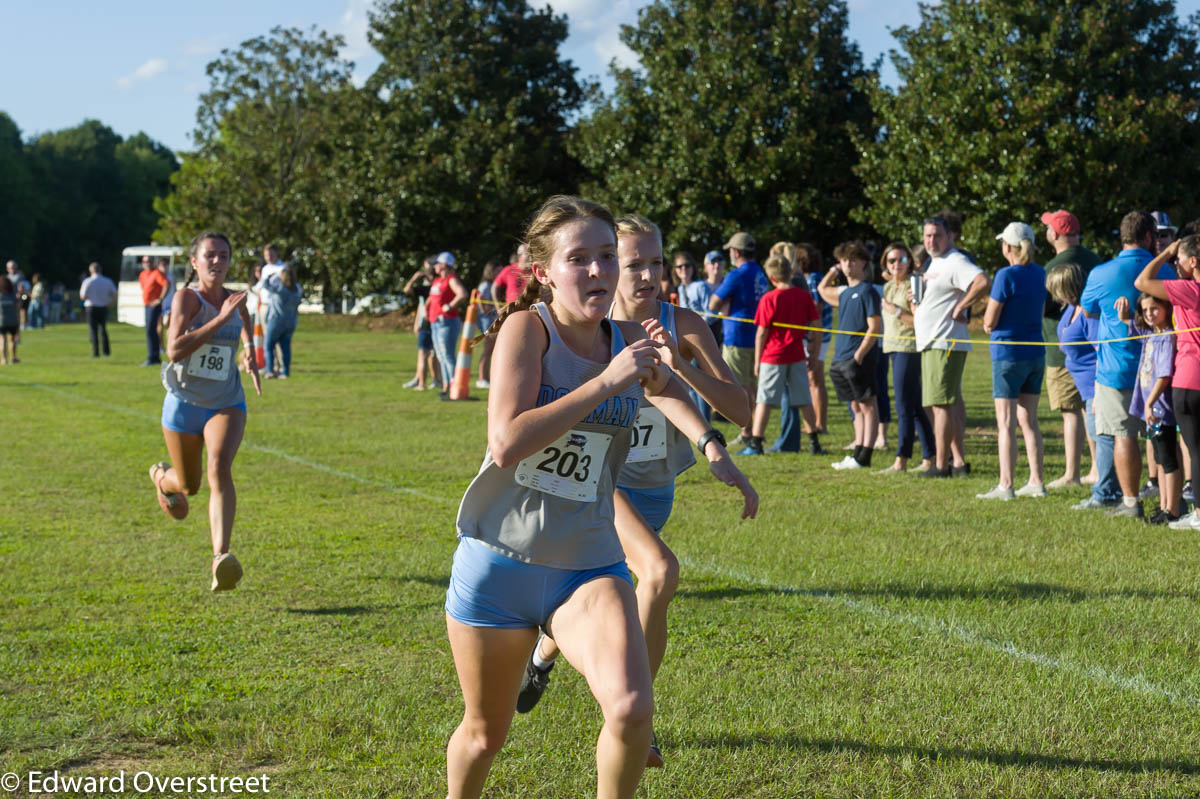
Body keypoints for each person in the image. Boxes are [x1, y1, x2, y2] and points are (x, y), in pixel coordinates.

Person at [444, 196, 756, 799]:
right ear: (544, 272)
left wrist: (710, 443)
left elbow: (672, 393)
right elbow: (507, 442)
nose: (598, 270)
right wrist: (606, 382)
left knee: (634, 710)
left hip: (587, 564)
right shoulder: (525, 330)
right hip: (500, 562)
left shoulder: (634, 335)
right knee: (486, 735)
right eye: (579, 258)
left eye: (606, 256)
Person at [149, 232, 259, 591]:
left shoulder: (236, 299)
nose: (217, 261)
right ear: (194, 262)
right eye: (210, 255)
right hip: (183, 405)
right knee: (189, 487)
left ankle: (220, 559)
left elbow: (243, 325)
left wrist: (249, 353)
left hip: (226, 401)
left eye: (224, 255)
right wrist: (218, 321)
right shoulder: (186, 298)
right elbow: (174, 350)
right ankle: (161, 478)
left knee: (219, 466)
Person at [1075, 211, 1167, 518]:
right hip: (1162, 366)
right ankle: (1172, 500)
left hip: (1117, 368)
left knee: (1123, 435)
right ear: (1148, 238)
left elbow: (1087, 312)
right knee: (1164, 435)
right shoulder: (1165, 271)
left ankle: (1130, 502)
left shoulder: (1101, 273)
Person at [912, 216, 990, 478]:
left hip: (944, 342)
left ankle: (941, 465)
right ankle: (957, 463)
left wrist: (961, 306)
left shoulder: (956, 261)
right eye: (927, 236)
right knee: (947, 402)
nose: (931, 240)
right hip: (933, 342)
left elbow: (981, 281)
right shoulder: (935, 262)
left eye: (936, 235)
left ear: (950, 236)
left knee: (940, 405)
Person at [977, 222, 1047, 500]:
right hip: (1035, 352)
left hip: (1008, 355)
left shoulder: (1005, 275)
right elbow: (1039, 313)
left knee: (1006, 423)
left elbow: (990, 320)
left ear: (1008, 247)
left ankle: (1006, 485)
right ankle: (1037, 482)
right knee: (1029, 419)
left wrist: (986, 324)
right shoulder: (1041, 273)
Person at [1135, 236, 1200, 529]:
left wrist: (1165, 252)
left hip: (1189, 379)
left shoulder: (1189, 289)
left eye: (1180, 259)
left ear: (1193, 261)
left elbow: (1142, 282)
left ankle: (1198, 514)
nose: (1176, 264)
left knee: (1196, 450)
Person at [1040, 210, 1103, 488]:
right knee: (1091, 408)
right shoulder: (1095, 260)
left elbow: (1040, 307)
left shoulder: (1053, 265)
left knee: (1070, 411)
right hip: (1093, 352)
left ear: (1054, 234)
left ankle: (1072, 473)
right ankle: (1096, 467)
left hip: (1061, 347)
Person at [739, 253, 822, 456]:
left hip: (773, 356)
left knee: (765, 400)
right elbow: (817, 325)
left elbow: (761, 333)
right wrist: (814, 352)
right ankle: (814, 443)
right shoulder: (804, 296)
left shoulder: (769, 298)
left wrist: (758, 361)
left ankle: (756, 443)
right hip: (796, 354)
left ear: (772, 277)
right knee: (804, 400)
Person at [1116, 291, 1181, 523]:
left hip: (1161, 410)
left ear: (1166, 308)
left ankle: (1172, 510)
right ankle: (1164, 505)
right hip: (1152, 411)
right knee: (1161, 461)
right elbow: (1135, 329)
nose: (1149, 314)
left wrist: (1150, 402)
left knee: (1168, 460)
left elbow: (1164, 375)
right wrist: (1125, 317)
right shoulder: (1152, 334)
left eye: (1154, 308)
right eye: (1145, 310)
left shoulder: (1166, 337)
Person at [819, 241, 882, 470]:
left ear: (863, 262)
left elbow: (875, 326)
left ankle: (865, 455)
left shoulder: (868, 291)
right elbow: (821, 290)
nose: (847, 265)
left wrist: (859, 354)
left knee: (867, 405)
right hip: (841, 357)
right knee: (855, 406)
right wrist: (834, 270)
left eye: (852, 260)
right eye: (844, 260)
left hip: (858, 358)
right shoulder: (845, 293)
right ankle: (857, 452)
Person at [709, 232, 770, 447]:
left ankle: (747, 432)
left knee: (740, 389)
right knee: (752, 388)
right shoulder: (761, 273)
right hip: (758, 337)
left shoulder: (736, 274)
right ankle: (751, 430)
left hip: (737, 337)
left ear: (735, 252)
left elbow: (713, 303)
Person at [878, 242, 935, 473]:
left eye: (902, 260)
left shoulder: (914, 286)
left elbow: (919, 322)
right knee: (915, 406)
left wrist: (897, 311)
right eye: (892, 260)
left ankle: (901, 459)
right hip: (892, 347)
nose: (896, 265)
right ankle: (930, 456)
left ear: (910, 261)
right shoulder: (888, 287)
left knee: (903, 406)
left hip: (908, 349)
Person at [1048, 264, 1103, 492]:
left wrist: (1100, 390)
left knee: (1099, 437)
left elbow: (1101, 351)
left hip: (1093, 385)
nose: (1054, 295)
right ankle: (1100, 478)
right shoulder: (1071, 309)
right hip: (1080, 384)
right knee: (1093, 433)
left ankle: (1105, 485)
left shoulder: (1088, 313)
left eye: (1056, 289)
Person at [673, 251, 714, 418]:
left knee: (700, 382)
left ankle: (704, 420)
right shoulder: (680, 288)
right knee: (688, 381)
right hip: (683, 340)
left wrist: (697, 324)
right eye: (679, 266)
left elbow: (711, 313)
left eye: (687, 265)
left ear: (693, 267)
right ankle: (695, 418)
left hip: (699, 338)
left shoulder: (700, 286)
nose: (683, 269)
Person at [796, 243, 831, 435]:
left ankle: (820, 424)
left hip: (817, 335)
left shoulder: (811, 279)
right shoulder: (813, 278)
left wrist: (810, 336)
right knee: (814, 379)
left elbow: (816, 307)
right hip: (818, 334)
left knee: (815, 378)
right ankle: (816, 422)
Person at [429, 251, 467, 396]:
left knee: (448, 355)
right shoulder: (437, 280)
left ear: (444, 265)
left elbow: (462, 293)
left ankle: (454, 385)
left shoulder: (451, 279)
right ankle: (446, 386)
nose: (434, 267)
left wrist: (450, 306)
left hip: (447, 321)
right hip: (435, 322)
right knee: (440, 355)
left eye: (437, 264)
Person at [256, 267, 302, 378]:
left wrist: (270, 276)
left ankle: (269, 371)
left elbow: (266, 285)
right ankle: (285, 372)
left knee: (269, 346)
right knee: (285, 347)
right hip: (291, 322)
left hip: (276, 321)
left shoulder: (281, 289)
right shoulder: (296, 290)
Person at [402, 258, 440, 390]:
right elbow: (421, 305)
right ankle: (436, 380)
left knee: (422, 355)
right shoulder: (438, 285)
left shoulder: (427, 288)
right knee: (434, 354)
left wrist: (413, 279)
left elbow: (407, 290)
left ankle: (421, 383)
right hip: (436, 321)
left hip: (426, 322)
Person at [79, 262, 117, 357]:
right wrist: (111, 303)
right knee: (103, 329)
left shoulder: (87, 281)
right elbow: (115, 293)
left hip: (91, 307)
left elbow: (82, 296)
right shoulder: (107, 281)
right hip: (104, 307)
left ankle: (95, 352)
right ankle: (106, 351)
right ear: (100, 270)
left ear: (91, 271)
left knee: (93, 329)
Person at [139, 254, 169, 366]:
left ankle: (152, 357)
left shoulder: (157, 273)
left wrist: (160, 299)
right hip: (147, 304)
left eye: (149, 261)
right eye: (145, 261)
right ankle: (155, 357)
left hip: (154, 306)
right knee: (150, 330)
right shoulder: (142, 274)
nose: (147, 264)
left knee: (150, 330)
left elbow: (166, 284)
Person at [475, 260, 500, 388]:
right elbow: (482, 307)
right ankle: (482, 378)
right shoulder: (485, 285)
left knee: (491, 350)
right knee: (487, 349)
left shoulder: (491, 284)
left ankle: (486, 377)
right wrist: (495, 309)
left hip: (492, 321)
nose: (500, 272)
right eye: (497, 270)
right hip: (487, 322)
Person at [701, 250, 725, 344]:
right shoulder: (700, 286)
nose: (717, 264)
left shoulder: (730, 285)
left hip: (725, 335)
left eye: (720, 261)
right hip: (706, 334)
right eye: (713, 261)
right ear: (705, 267)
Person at [0, 277, 18, 364]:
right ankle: (13, 358)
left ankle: (3, 359)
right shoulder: (12, 294)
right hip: (12, 320)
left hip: (2, 320)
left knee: (2, 340)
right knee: (12, 339)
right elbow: (18, 306)